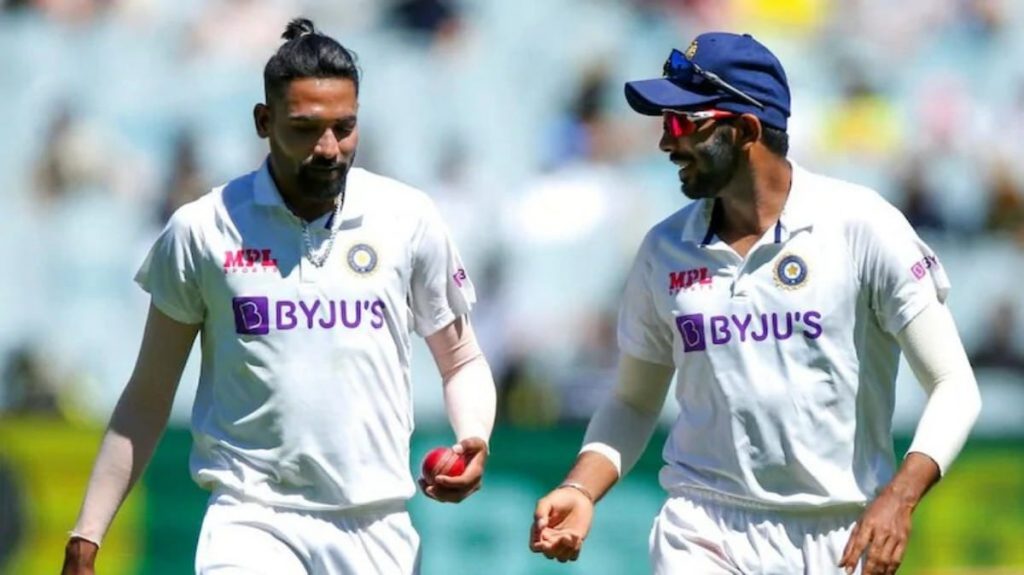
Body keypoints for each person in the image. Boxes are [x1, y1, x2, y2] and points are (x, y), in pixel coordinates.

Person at [529, 32, 982, 574]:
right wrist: (581, 487)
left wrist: (900, 496)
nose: (666, 143)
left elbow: (955, 387)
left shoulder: (862, 225)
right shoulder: (663, 250)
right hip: (703, 526)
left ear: (743, 129)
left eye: (681, 124)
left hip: (840, 532)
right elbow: (632, 400)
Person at [62, 18, 496, 575]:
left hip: (376, 525)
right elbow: (148, 394)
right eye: (305, 128)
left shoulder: (407, 218)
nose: (329, 149)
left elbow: (461, 359)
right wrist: (88, 533)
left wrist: (473, 438)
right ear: (264, 122)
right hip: (250, 519)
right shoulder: (203, 229)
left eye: (345, 128)